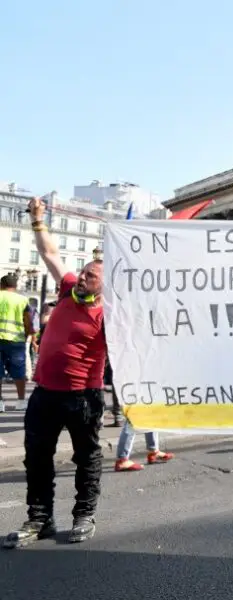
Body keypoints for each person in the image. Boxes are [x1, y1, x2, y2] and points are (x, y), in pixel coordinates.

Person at [3, 197, 108, 549]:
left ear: (103, 285)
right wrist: (37, 220)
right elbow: (49, 253)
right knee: (36, 456)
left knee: (87, 457)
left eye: (90, 276)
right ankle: (40, 518)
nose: (82, 277)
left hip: (83, 397)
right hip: (45, 393)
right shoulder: (66, 289)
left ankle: (83, 515)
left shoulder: (110, 313)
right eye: (83, 272)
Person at [0, 274, 34, 413]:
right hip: (17, 341)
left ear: (1, 285)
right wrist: (27, 336)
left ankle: (0, 402)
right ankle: (20, 401)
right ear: (15, 286)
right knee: (19, 372)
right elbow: (28, 321)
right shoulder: (23, 300)